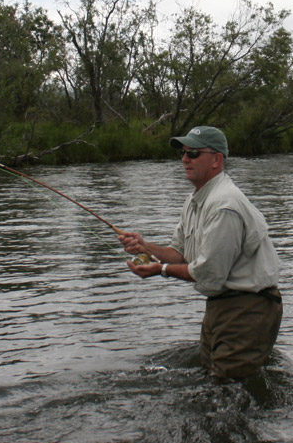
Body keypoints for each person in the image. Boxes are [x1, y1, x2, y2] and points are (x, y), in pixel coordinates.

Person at [118, 126, 282, 379]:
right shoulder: (195, 200)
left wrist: (159, 270)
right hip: (220, 306)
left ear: (216, 160)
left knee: (228, 387)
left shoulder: (224, 205)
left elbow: (208, 274)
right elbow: (180, 253)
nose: (184, 159)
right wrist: (145, 247)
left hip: (248, 308)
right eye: (183, 153)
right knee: (213, 380)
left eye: (193, 153)